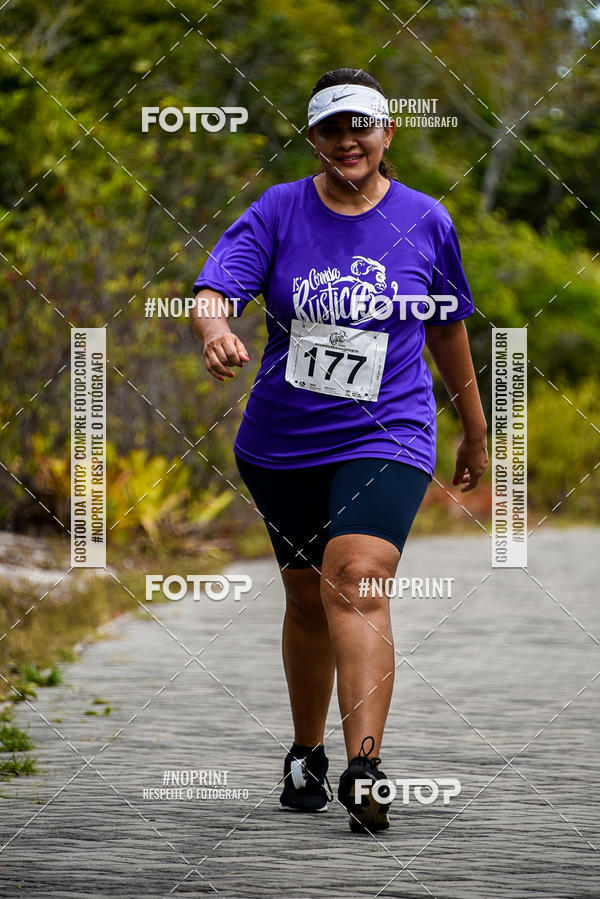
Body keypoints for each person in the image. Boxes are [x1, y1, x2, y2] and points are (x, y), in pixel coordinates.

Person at [190, 68, 488, 834]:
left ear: (388, 133)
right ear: (313, 139)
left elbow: (447, 326)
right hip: (283, 439)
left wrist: (475, 426)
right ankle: (304, 751)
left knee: (355, 578)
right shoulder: (280, 208)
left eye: (362, 125)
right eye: (331, 129)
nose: (347, 140)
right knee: (304, 599)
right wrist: (215, 328)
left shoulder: (425, 219)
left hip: (387, 428)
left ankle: (366, 766)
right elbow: (215, 287)